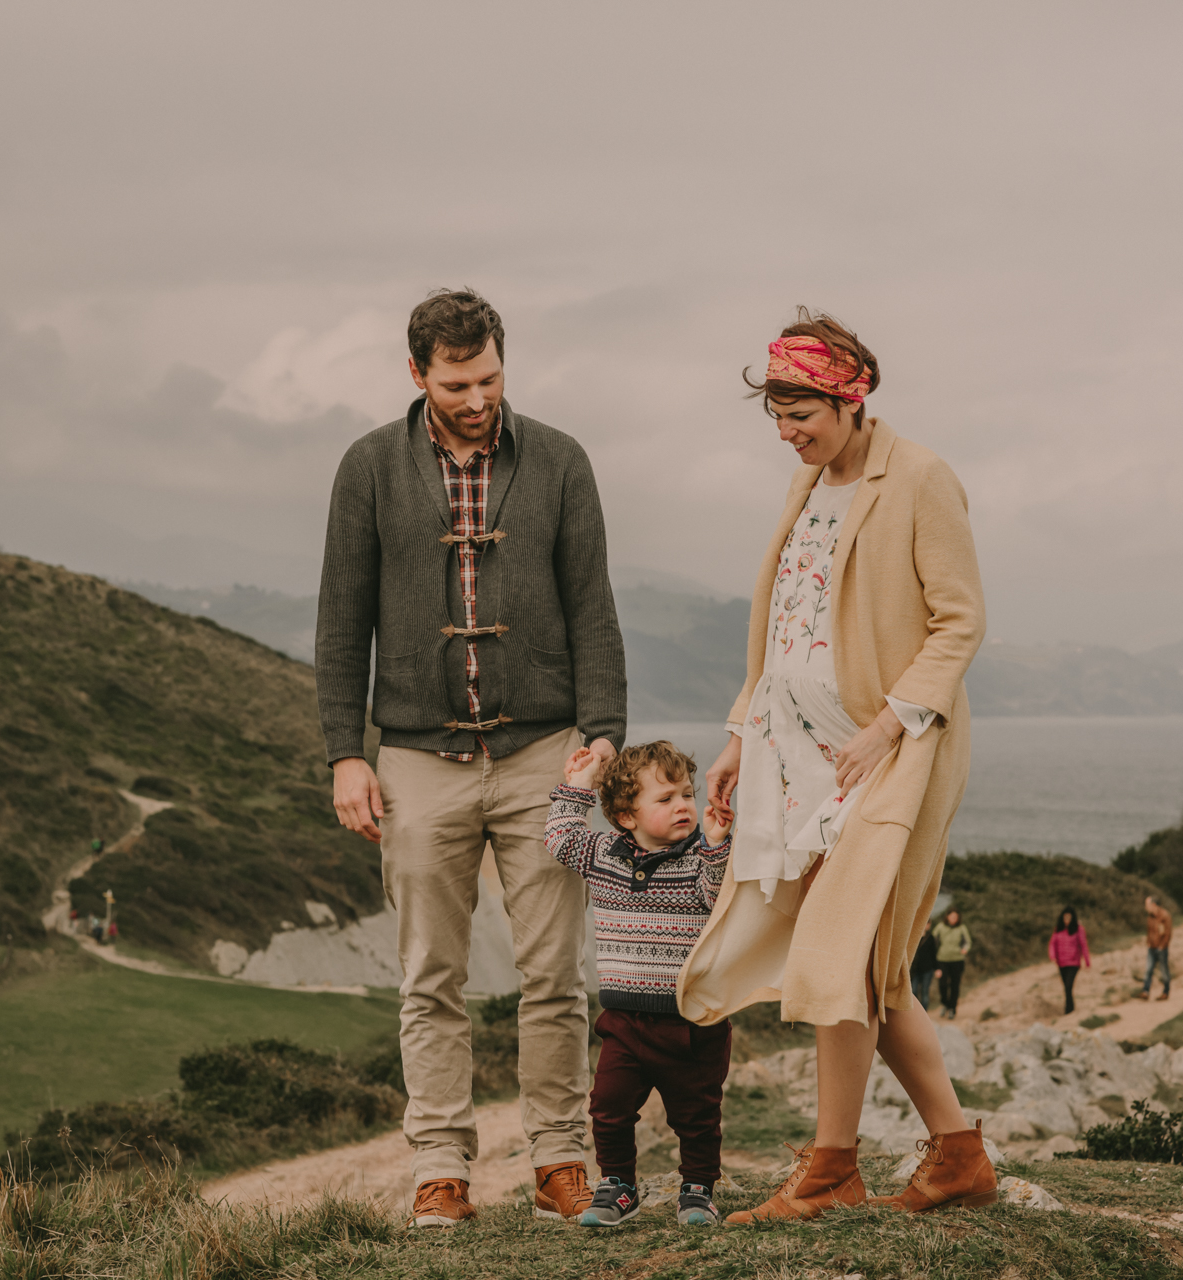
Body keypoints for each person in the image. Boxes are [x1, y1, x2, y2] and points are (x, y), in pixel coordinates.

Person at [316, 288, 628, 1229]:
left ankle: (561, 1163)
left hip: (545, 752)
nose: (478, 397)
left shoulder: (562, 460)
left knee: (555, 972)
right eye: (457, 383)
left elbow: (594, 608)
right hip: (416, 755)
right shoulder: (368, 467)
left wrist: (603, 734)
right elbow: (342, 622)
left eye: (490, 376)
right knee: (430, 975)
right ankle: (440, 1170)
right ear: (418, 374)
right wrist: (345, 753)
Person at [677, 309, 994, 1223]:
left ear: (850, 396)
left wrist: (889, 726)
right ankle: (949, 1153)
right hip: (795, 753)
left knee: (843, 953)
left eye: (800, 412)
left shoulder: (921, 478)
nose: (787, 434)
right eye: (775, 416)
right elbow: (784, 620)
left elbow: (960, 620)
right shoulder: (808, 480)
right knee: (860, 967)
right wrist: (742, 731)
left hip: (883, 755)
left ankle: (834, 1166)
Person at [545, 740, 734, 1228]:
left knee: (697, 1115)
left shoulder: (698, 858)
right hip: (625, 1021)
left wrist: (715, 844)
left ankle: (697, 1190)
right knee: (608, 1107)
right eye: (666, 798)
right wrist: (579, 783)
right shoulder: (603, 856)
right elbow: (561, 836)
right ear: (626, 817)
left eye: (687, 795)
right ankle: (617, 1186)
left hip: (694, 1021)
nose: (683, 806)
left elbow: (717, 899)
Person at [1047, 907, 1090, 1015]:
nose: (1067, 920)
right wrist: (1052, 956)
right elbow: (1052, 944)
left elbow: (1083, 945)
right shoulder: (1058, 929)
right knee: (1066, 987)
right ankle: (1070, 1008)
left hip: (1073, 963)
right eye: (1065, 917)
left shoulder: (1078, 929)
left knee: (1068, 986)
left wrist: (1087, 961)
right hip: (1061, 963)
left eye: (1069, 917)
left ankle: (1069, 1010)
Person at [930, 910, 971, 1020]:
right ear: (947, 917)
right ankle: (944, 1004)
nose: (954, 919)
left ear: (958, 918)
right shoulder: (940, 927)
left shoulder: (961, 928)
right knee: (942, 984)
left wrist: (965, 949)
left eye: (956, 917)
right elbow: (932, 941)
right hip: (942, 960)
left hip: (957, 960)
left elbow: (967, 942)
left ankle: (952, 1008)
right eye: (952, 917)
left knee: (955, 985)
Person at [1140, 896, 1173, 1001]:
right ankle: (1145, 991)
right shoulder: (1150, 917)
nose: (1146, 908)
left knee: (1164, 970)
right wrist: (1149, 943)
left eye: (1147, 905)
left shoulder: (1165, 916)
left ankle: (1166, 992)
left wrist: (1162, 946)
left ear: (1153, 905)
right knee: (1148, 969)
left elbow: (1167, 933)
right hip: (1152, 947)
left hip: (1161, 948)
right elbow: (1149, 931)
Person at [910, 921, 940, 1010]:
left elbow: (934, 954)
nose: (926, 925)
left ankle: (924, 1012)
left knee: (924, 992)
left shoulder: (930, 938)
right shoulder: (913, 936)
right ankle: (914, 1012)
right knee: (913, 991)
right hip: (915, 970)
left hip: (927, 969)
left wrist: (936, 968)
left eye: (928, 923)